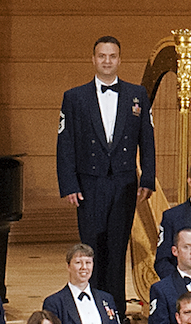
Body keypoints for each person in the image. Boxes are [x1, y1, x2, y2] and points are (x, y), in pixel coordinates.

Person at [56, 34, 156, 303]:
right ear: (93, 60)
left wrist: (147, 177)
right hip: (89, 183)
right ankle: (95, 304)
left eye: (112, 56)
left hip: (124, 183)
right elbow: (65, 144)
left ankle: (117, 307)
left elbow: (147, 138)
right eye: (102, 56)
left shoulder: (137, 95)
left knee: (118, 245)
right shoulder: (74, 97)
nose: (107, 61)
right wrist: (69, 184)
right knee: (91, 246)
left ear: (119, 60)